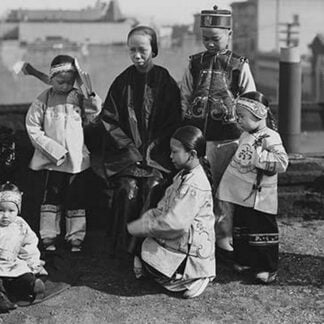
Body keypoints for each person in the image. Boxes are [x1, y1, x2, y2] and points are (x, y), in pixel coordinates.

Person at [180, 5, 257, 261]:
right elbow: (185, 94)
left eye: (215, 38)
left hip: (228, 137)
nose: (210, 44)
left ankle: (223, 235)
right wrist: (186, 123)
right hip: (200, 138)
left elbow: (248, 99)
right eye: (205, 39)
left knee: (225, 188)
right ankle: (199, 233)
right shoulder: (194, 63)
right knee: (200, 186)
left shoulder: (238, 65)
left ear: (229, 34)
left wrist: (248, 130)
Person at [99, 26, 182, 256]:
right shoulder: (121, 82)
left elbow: (173, 123)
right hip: (127, 157)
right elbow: (109, 121)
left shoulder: (165, 81)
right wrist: (130, 151)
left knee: (153, 187)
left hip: (157, 156)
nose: (137, 55)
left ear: (153, 49)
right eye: (132, 50)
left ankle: (149, 250)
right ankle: (124, 249)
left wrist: (151, 152)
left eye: (142, 50)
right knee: (127, 189)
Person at [127, 126, 215, 299]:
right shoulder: (183, 174)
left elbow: (176, 223)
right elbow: (165, 204)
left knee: (151, 266)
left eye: (175, 152)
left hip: (187, 243)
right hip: (173, 235)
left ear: (193, 154)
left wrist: (147, 226)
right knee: (143, 255)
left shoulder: (195, 184)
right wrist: (151, 217)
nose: (170, 156)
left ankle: (196, 277)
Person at [25, 54, 102, 252]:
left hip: (76, 160)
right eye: (60, 82)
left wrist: (90, 95)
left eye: (70, 82)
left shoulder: (77, 97)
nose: (65, 86)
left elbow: (94, 113)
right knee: (51, 197)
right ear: (51, 79)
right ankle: (49, 236)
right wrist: (52, 149)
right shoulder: (44, 99)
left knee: (77, 197)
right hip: (53, 160)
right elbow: (32, 126)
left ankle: (76, 236)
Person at [217, 91, 288, 284]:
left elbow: (282, 163)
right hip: (242, 192)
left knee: (262, 229)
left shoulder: (270, 137)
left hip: (260, 194)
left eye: (242, 116)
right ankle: (245, 260)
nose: (238, 120)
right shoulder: (246, 135)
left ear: (259, 114)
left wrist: (259, 159)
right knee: (242, 229)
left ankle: (268, 267)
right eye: (237, 116)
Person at [0, 182, 47, 312]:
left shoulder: (20, 225)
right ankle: (4, 299)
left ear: (18, 210)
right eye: (1, 210)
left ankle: (33, 285)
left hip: (14, 262)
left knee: (23, 275)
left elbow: (30, 244)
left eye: (11, 211)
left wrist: (33, 263)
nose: (5, 215)